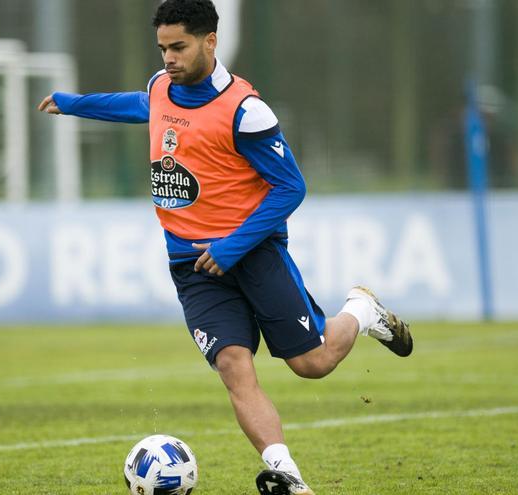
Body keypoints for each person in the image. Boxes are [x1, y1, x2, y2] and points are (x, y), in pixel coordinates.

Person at [38, 1, 413, 493]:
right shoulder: (160, 88)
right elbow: (138, 104)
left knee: (312, 364)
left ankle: (361, 311)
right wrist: (74, 103)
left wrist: (233, 246)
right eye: (163, 48)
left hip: (252, 253)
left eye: (178, 47)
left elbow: (290, 188)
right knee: (235, 366)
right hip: (191, 264)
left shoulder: (245, 111)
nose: (168, 58)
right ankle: (290, 479)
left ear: (209, 42)